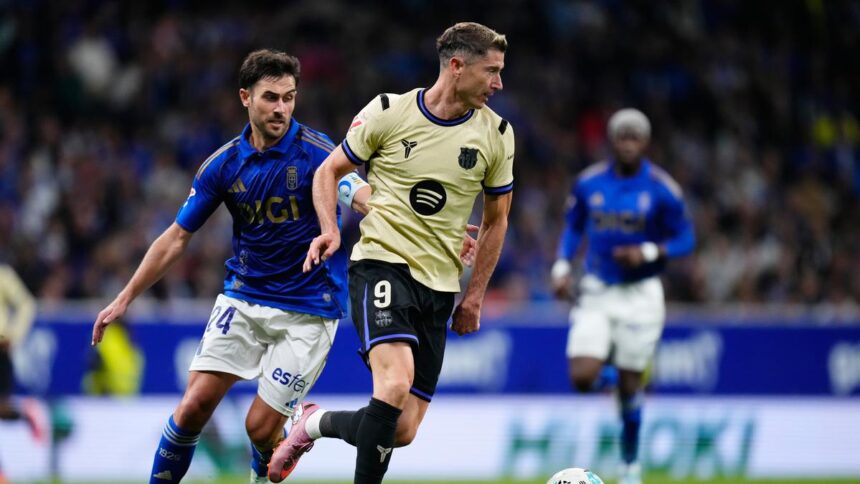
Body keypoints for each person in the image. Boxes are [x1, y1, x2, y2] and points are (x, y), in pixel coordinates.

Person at [90, 49, 374, 484]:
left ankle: (275, 451)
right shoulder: (223, 165)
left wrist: (422, 226)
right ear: (245, 97)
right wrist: (125, 297)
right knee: (192, 407)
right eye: (270, 97)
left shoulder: (319, 153)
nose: (281, 108)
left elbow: (361, 194)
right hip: (244, 296)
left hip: (308, 308)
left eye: (289, 98)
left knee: (258, 429)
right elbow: (177, 236)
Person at [267, 22, 515, 484]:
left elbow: (497, 220)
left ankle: (313, 423)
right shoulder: (389, 111)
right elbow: (328, 171)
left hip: (439, 286)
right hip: (382, 265)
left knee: (401, 429)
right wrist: (330, 229)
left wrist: (475, 295)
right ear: (457, 66)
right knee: (395, 383)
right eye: (492, 71)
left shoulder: (497, 134)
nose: (499, 83)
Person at [549, 108, 695, 484]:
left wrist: (647, 251)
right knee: (583, 377)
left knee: (631, 388)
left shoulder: (662, 188)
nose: (628, 144)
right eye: (622, 137)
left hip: (641, 293)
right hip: (597, 288)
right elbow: (573, 227)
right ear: (612, 141)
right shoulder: (589, 183)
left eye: (635, 138)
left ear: (645, 142)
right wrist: (562, 265)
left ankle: (630, 466)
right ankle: (615, 375)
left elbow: (685, 239)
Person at [0, 263, 42, 484]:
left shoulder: (3, 275)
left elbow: (26, 304)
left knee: (2, 408)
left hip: (0, 348)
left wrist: (13, 334)